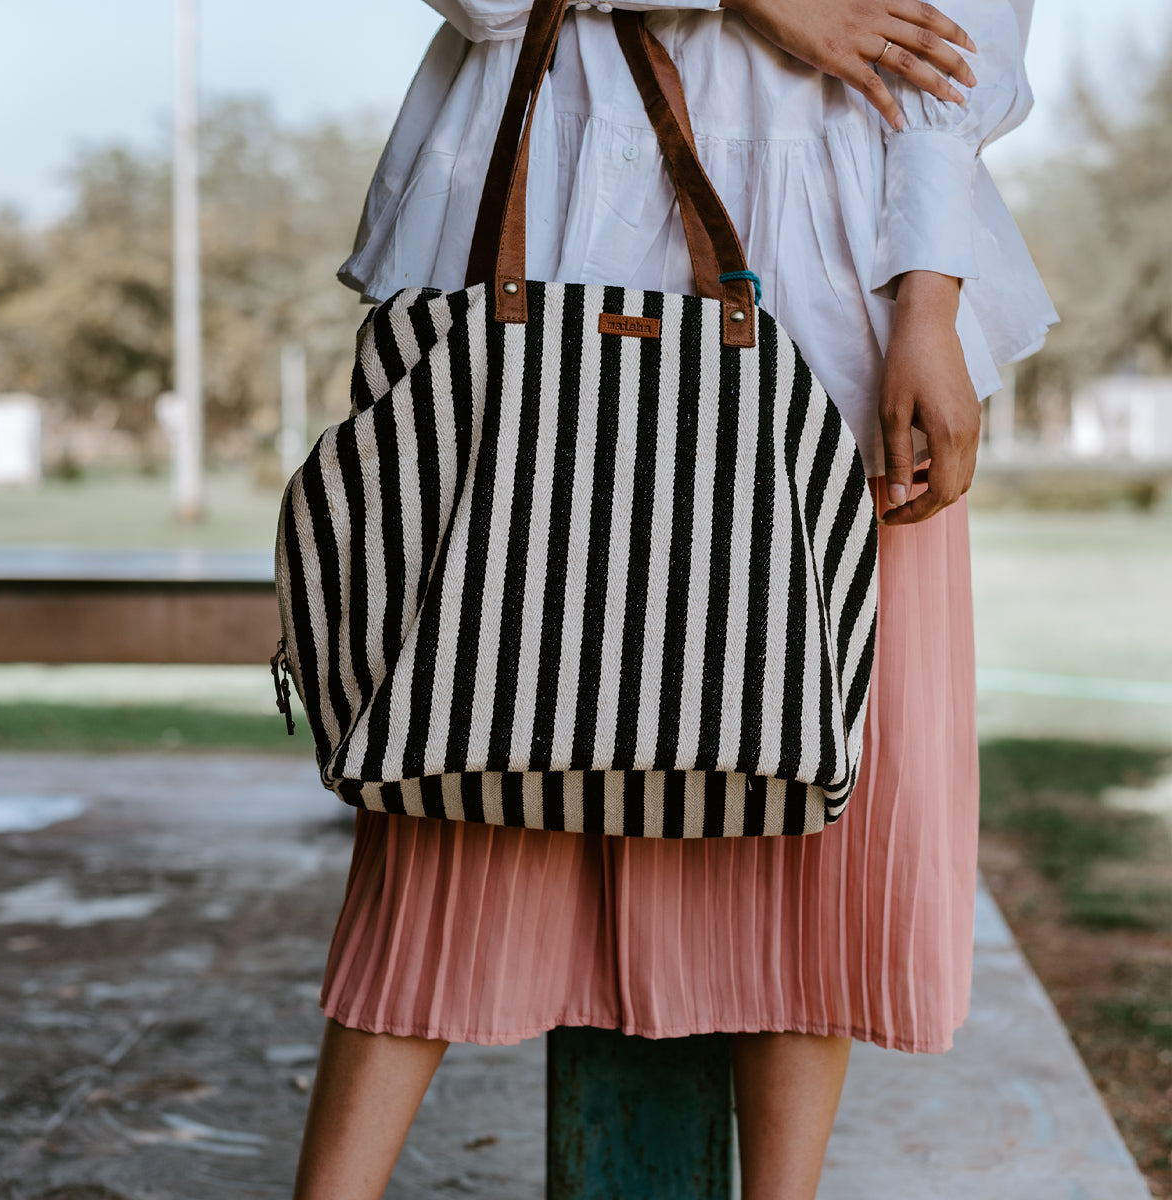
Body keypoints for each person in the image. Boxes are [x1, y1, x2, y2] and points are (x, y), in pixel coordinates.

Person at [293, 1, 1056, 1196]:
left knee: (811, 800)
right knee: (462, 773)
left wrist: (931, 306)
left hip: (838, 274)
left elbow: (957, 51)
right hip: (557, 243)